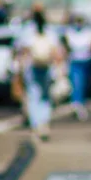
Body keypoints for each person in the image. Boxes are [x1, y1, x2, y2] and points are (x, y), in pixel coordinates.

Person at [20, 9, 61, 142]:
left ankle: (36, 124)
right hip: (47, 68)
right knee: (45, 96)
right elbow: (57, 52)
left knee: (33, 96)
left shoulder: (27, 31)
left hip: (32, 68)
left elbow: (23, 51)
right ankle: (44, 123)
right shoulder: (50, 31)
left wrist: (19, 68)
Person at [64, 15, 91, 121]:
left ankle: (81, 103)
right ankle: (77, 104)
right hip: (75, 62)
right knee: (76, 83)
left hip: (87, 61)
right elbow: (67, 46)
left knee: (84, 84)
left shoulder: (89, 32)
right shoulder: (69, 32)